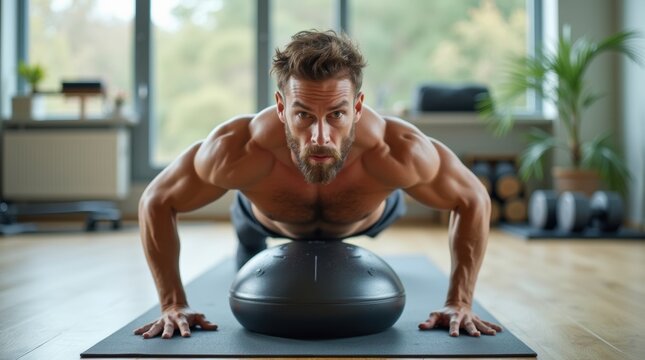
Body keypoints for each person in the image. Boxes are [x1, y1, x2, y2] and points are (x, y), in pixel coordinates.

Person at [134, 30, 502, 340]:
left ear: (357, 107)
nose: (320, 137)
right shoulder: (238, 150)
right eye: (303, 115)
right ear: (281, 106)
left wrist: (460, 300)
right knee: (246, 245)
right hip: (265, 218)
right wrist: (172, 303)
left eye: (337, 114)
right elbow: (157, 200)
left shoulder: (397, 151)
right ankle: (247, 241)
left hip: (368, 217)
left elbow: (472, 199)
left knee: (392, 200)